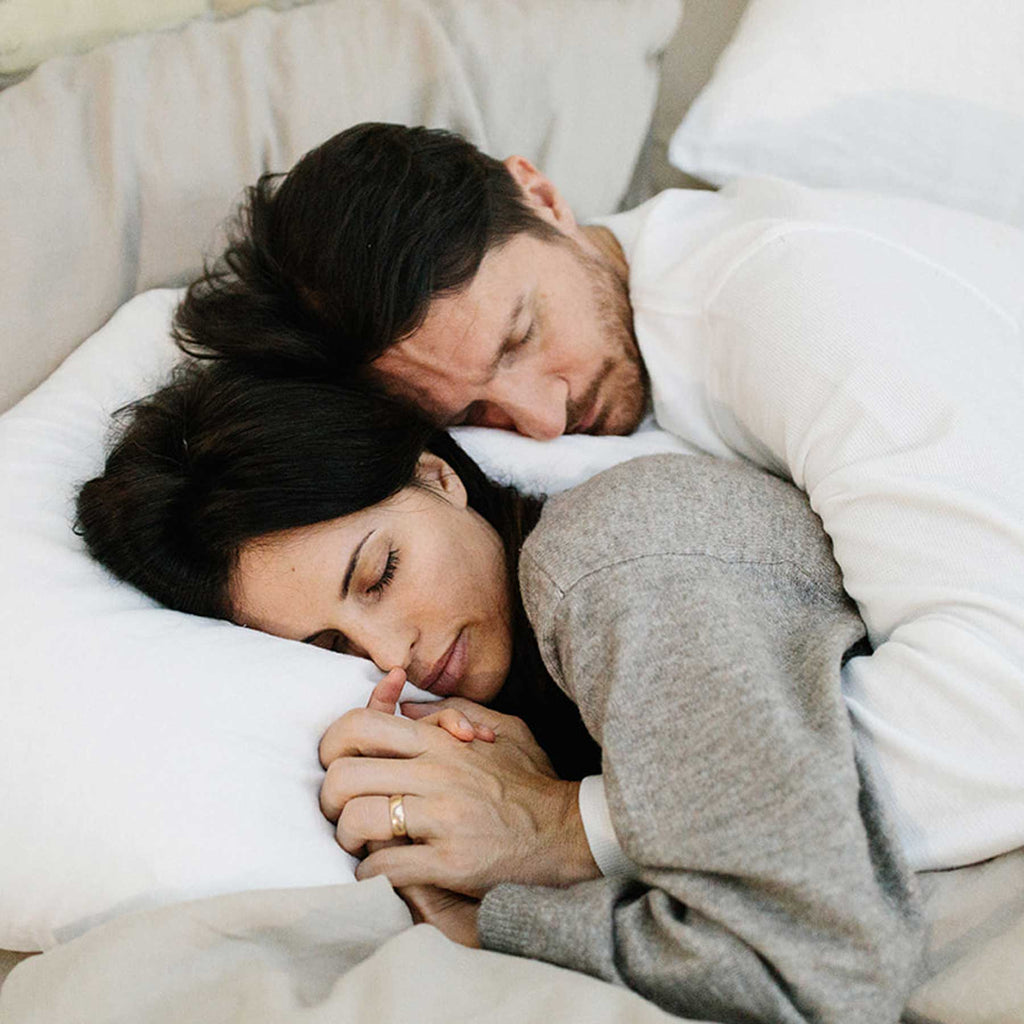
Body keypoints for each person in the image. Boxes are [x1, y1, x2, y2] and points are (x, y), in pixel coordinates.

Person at [173, 122, 1024, 876]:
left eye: (522, 335)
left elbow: (1001, 710)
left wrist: (569, 824)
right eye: (471, 413)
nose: (543, 419)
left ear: (541, 196)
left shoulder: (791, 312)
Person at [77, 363, 922, 1023]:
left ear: (439, 478)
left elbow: (817, 972)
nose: (387, 656)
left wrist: (505, 907)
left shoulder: (605, 560)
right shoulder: (509, 699)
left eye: (381, 573)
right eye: (332, 648)